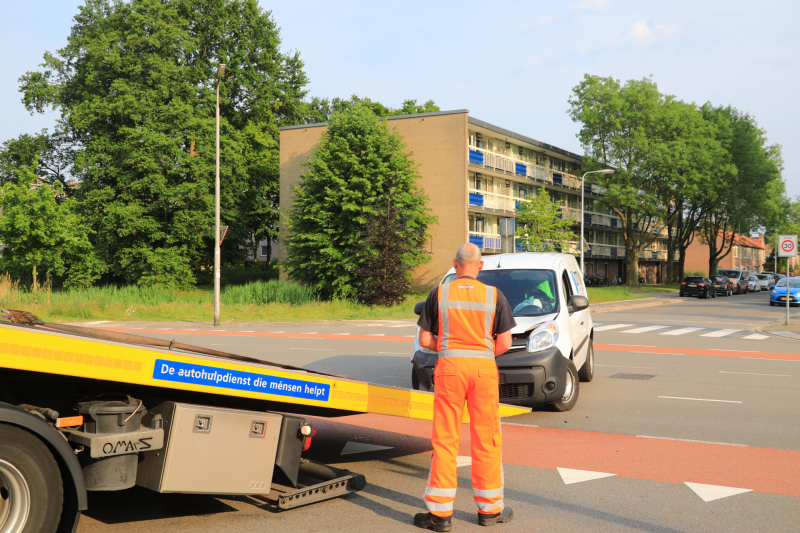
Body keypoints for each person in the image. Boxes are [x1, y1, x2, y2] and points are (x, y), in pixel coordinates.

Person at [413, 243, 516, 532]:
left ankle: (440, 515)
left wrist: (448, 348)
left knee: (445, 439)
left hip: (450, 369)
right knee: (487, 439)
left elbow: (424, 341)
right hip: (483, 371)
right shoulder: (494, 295)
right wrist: (481, 353)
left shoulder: (440, 293)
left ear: (455, 264)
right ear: (480, 266)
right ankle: (490, 510)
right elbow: (505, 343)